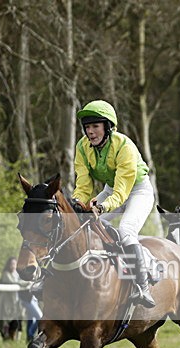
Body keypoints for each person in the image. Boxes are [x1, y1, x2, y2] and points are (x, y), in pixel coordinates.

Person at [71, 99, 156, 308]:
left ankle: (142, 286)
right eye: (87, 127)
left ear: (108, 127)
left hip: (138, 191)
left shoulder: (124, 145)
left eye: (95, 126)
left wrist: (100, 208)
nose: (90, 132)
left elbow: (122, 190)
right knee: (80, 225)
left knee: (126, 229)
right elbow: (83, 184)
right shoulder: (82, 147)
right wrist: (77, 203)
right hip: (111, 190)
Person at [0, 257, 26, 341]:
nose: (13, 266)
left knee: (16, 321)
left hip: (15, 302)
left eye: (15, 264)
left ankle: (13, 339)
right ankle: (5, 338)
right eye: (11, 264)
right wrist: (25, 284)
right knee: (6, 321)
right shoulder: (6, 274)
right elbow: (14, 283)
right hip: (6, 302)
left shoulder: (17, 274)